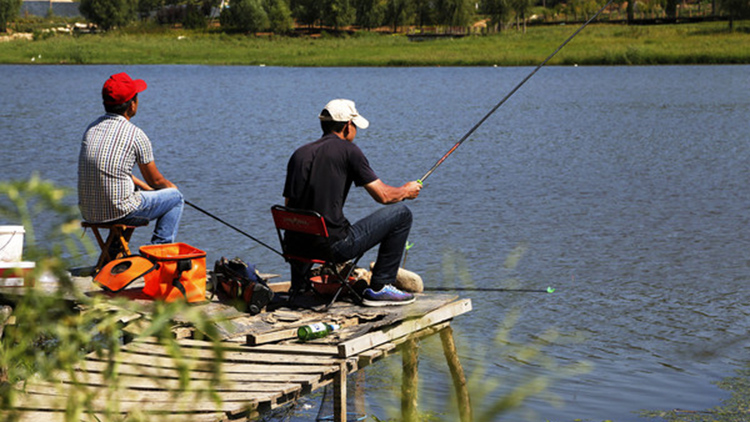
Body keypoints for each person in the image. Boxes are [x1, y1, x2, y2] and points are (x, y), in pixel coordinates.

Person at [283, 99, 422, 307]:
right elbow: (383, 196)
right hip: (335, 248)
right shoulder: (349, 151)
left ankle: (300, 287)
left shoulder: (299, 154)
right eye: (355, 125)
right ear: (348, 125)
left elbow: (289, 207)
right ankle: (381, 287)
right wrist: (406, 191)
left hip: (296, 247)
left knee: (303, 224)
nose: (356, 130)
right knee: (402, 214)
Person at [78, 72, 184, 245]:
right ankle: (160, 252)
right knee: (176, 199)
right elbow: (156, 180)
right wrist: (171, 189)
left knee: (129, 194)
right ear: (132, 105)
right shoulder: (135, 134)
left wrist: (146, 188)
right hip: (120, 211)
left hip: (90, 212)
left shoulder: (92, 129)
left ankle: (112, 254)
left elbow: (114, 172)